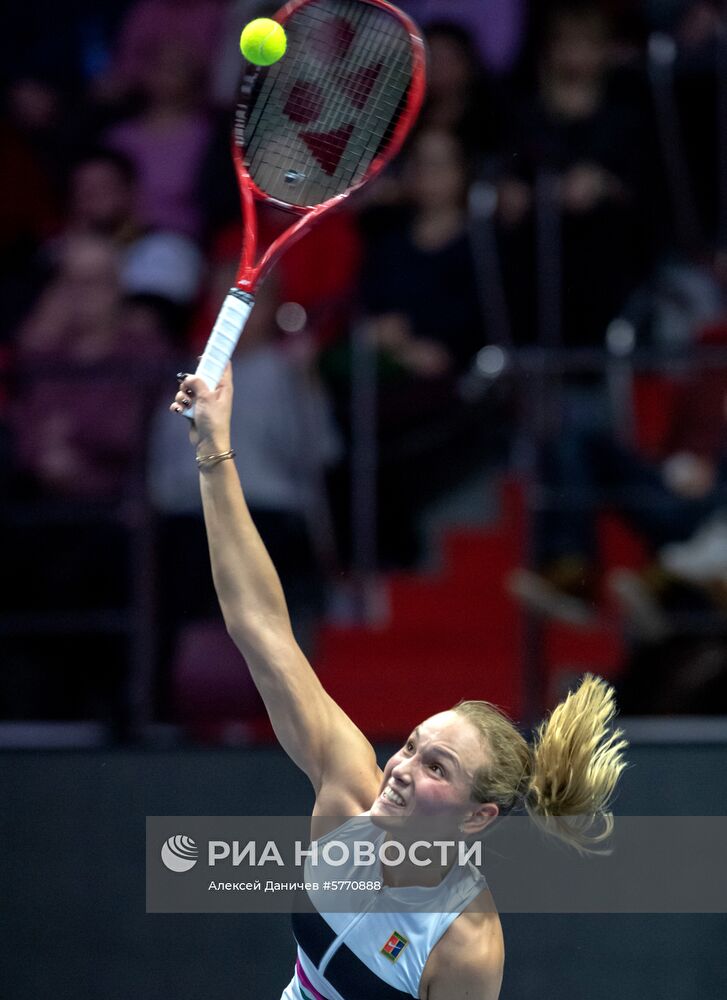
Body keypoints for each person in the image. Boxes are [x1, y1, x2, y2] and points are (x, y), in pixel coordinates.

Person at [170, 366, 628, 999]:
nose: (403, 769)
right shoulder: (347, 792)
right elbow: (261, 625)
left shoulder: (464, 945)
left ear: (478, 818)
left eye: (438, 768)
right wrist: (212, 447)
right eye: (412, 746)